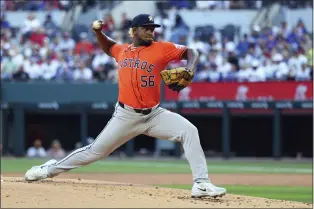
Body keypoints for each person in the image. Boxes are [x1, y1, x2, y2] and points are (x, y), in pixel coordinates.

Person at [24, 14, 226, 198]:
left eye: (152, 28)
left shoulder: (162, 48)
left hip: (154, 115)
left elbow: (193, 51)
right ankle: (48, 170)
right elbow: (108, 47)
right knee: (95, 152)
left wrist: (190, 67)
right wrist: (98, 32)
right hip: (125, 116)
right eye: (146, 27)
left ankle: (201, 183)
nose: (150, 31)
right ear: (134, 30)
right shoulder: (122, 51)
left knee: (189, 131)